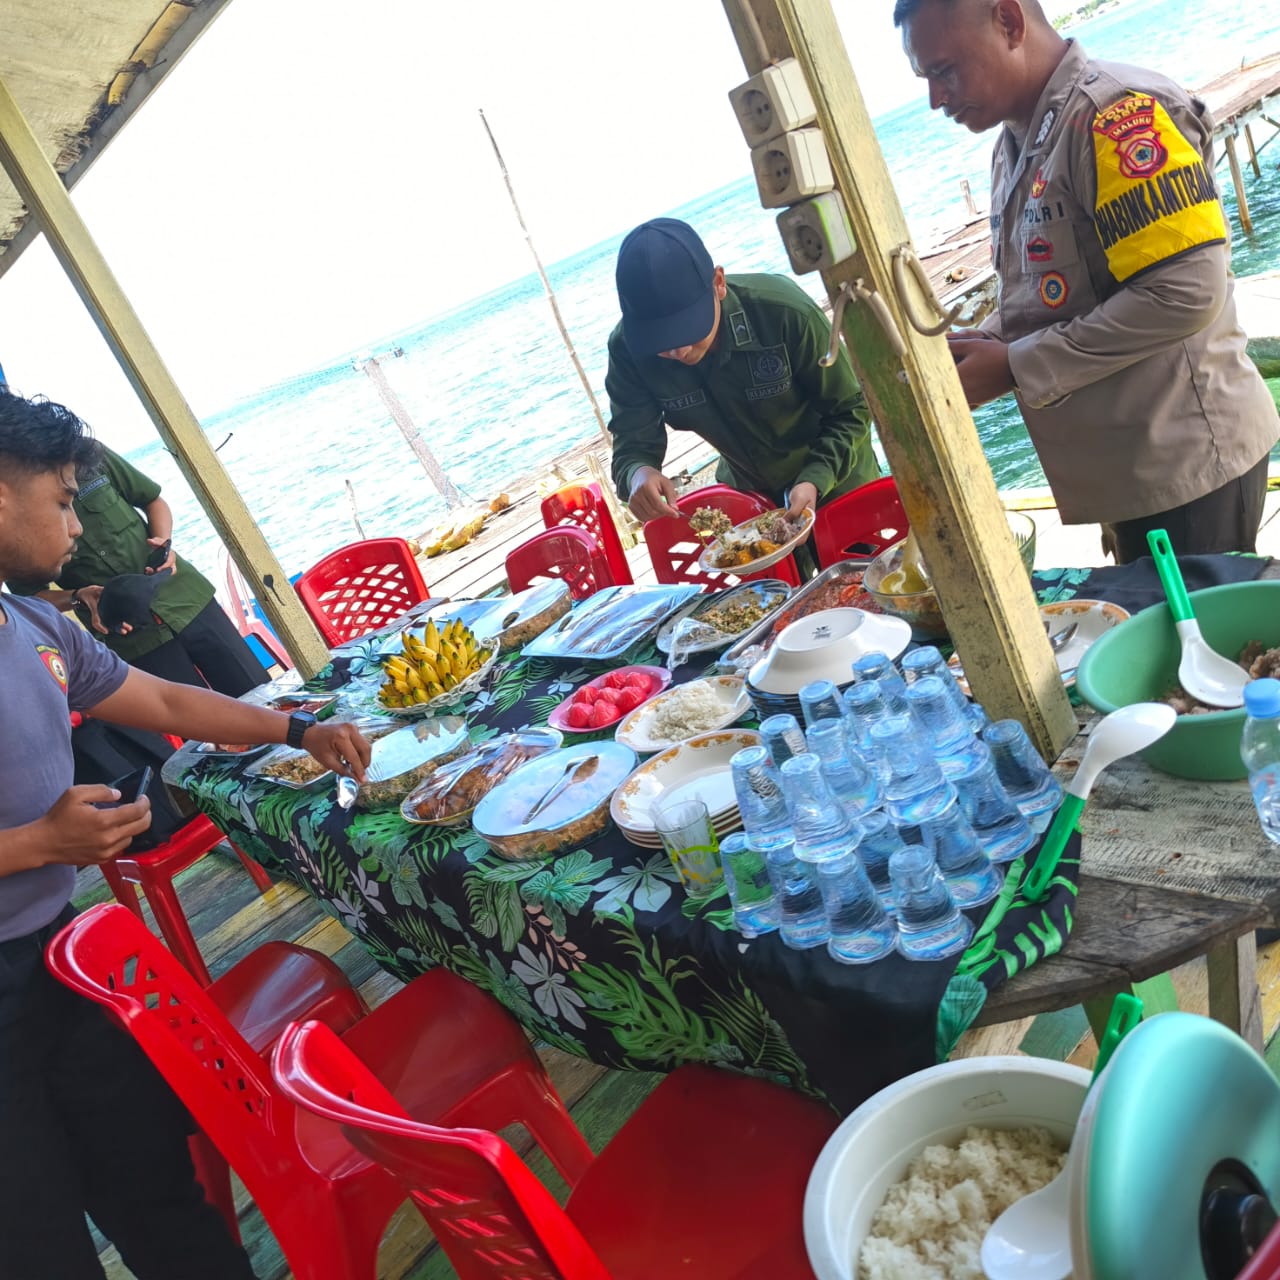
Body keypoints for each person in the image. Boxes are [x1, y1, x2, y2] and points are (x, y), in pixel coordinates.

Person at [0, 389, 372, 1279]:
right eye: (60, 503)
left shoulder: (37, 628)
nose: (77, 531)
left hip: (63, 961)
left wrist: (295, 728)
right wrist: (36, 846)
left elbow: (164, 699)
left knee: (160, 1189)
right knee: (38, 1246)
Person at [895, 0, 1279, 564]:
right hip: (1123, 470)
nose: (936, 99)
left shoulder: (1117, 114)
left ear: (1009, 21)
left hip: (1186, 462)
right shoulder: (1015, 143)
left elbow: (1185, 292)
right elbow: (1052, 290)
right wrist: (990, 338)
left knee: (1200, 644)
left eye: (944, 70)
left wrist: (1014, 365)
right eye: (925, 77)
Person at [605, 217, 881, 524]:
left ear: (718, 283)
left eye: (687, 329)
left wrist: (816, 477)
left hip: (839, 480)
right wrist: (637, 474)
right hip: (752, 502)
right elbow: (631, 444)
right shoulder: (627, 352)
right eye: (659, 340)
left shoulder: (784, 312)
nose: (677, 351)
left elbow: (853, 407)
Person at [10, 442, 271, 696]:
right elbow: (28, 596)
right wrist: (78, 596)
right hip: (131, 636)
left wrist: (163, 543)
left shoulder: (85, 452)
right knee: (200, 730)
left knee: (259, 695)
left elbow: (153, 500)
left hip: (184, 598)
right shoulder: (16, 509)